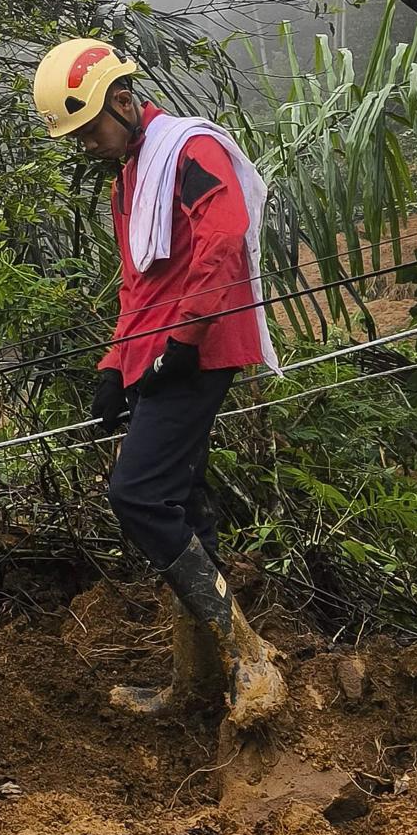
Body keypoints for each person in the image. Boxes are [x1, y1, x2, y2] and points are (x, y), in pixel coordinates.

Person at [32, 37, 287, 727]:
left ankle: (252, 661)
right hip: (164, 353)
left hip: (200, 351)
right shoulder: (132, 175)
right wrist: (113, 369)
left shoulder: (189, 152)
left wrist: (182, 339)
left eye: (89, 129)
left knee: (137, 494)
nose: (85, 144)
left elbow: (225, 238)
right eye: (76, 136)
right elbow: (139, 286)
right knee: (183, 507)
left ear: (121, 99)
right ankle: (199, 685)